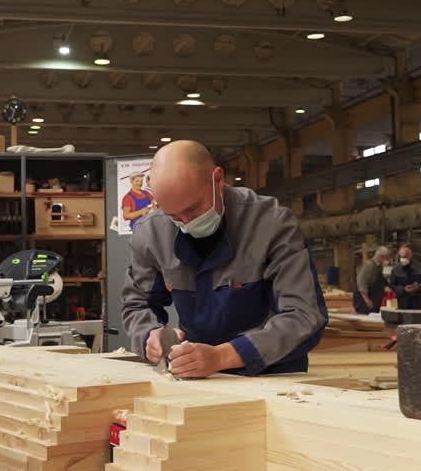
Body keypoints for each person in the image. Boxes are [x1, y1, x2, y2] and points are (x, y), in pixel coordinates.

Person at [122, 141, 327, 378]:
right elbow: (138, 303)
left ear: (217, 179)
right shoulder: (151, 233)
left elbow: (303, 316)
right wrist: (150, 335)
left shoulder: (272, 224)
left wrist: (222, 356)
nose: (186, 223)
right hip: (198, 374)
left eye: (193, 209)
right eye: (173, 216)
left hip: (273, 374)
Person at [353, 246, 390, 314]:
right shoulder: (369, 265)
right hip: (365, 302)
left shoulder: (378, 266)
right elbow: (361, 283)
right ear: (381, 256)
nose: (387, 260)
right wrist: (367, 300)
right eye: (386, 258)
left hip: (374, 300)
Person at [389, 245, 421, 310]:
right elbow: (392, 286)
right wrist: (403, 289)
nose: (402, 259)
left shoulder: (419, 267)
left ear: (410, 256)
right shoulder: (395, 269)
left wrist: (418, 286)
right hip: (403, 303)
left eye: (405, 257)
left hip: (417, 303)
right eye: (401, 257)